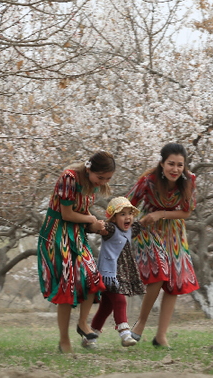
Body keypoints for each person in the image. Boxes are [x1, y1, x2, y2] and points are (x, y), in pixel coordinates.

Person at [37, 151, 114, 353]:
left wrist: (96, 224)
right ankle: (64, 341)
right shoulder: (69, 178)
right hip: (57, 235)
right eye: (100, 177)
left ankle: (82, 323)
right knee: (67, 285)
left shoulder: (91, 184)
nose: (102, 182)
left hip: (77, 235)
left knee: (92, 278)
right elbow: (67, 213)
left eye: (107, 179)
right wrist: (90, 220)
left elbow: (82, 213)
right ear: (89, 169)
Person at [128, 143, 200, 348]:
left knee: (175, 283)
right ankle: (140, 323)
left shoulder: (189, 181)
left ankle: (161, 336)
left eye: (180, 165)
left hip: (175, 232)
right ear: (161, 163)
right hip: (148, 229)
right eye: (171, 164)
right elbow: (128, 203)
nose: (175, 169)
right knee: (160, 273)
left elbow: (187, 212)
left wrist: (162, 213)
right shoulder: (147, 181)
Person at [89, 196, 146, 347]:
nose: (128, 217)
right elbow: (102, 229)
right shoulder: (112, 229)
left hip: (121, 275)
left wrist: (156, 216)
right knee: (120, 300)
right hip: (109, 275)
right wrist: (96, 225)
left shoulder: (129, 230)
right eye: (122, 214)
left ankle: (89, 338)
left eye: (130, 214)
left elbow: (141, 224)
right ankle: (125, 334)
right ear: (113, 218)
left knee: (105, 308)